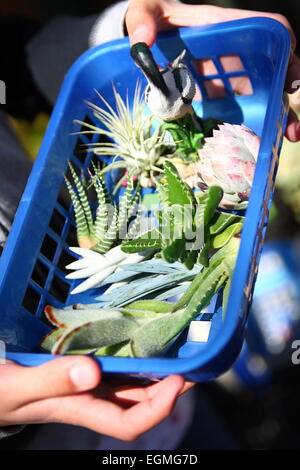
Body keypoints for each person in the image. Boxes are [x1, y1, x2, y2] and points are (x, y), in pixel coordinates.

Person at [0, 0, 299, 449]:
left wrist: (119, 33)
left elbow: (17, 61)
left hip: (165, 375)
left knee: (198, 418)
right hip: (40, 431)